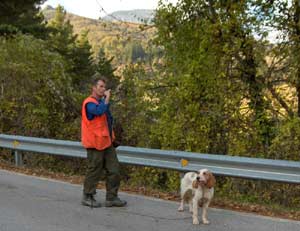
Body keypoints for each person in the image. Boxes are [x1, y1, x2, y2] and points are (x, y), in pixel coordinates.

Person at [81, 75, 126, 208]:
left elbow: (108, 122)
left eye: (104, 87)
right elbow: (99, 112)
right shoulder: (89, 103)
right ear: (94, 88)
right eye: (101, 86)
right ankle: (87, 196)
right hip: (94, 144)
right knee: (94, 170)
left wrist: (113, 139)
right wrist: (106, 99)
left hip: (106, 143)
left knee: (114, 170)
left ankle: (111, 197)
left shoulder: (101, 103)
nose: (103, 89)